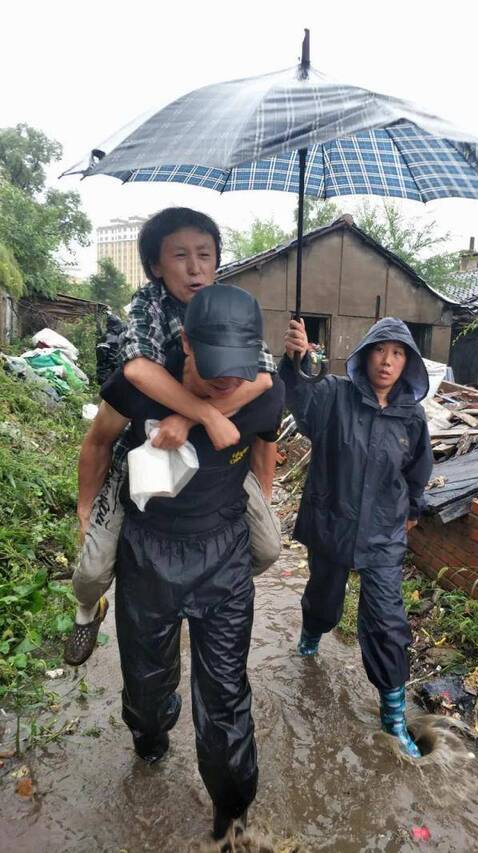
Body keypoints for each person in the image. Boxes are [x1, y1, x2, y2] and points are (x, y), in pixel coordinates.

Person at [78, 285, 284, 843]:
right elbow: (97, 443)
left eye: (239, 369)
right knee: (146, 688)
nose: (229, 382)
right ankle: (149, 735)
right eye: (216, 366)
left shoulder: (263, 392)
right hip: (148, 555)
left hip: (223, 557)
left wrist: (258, 498)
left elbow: (266, 442)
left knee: (224, 693)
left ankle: (233, 811)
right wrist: (84, 514)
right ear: (186, 343)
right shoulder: (138, 385)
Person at [64, 207, 278, 666]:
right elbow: (137, 370)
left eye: (205, 254)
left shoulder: (228, 307)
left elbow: (264, 378)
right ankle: (88, 610)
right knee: (93, 570)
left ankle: (213, 594)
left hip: (218, 466)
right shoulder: (149, 307)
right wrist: (85, 508)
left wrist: (190, 420)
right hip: (144, 455)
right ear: (157, 266)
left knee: (268, 548)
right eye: (180, 255)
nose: (195, 266)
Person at [280, 316, 433, 758]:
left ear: (408, 363)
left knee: (386, 619)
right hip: (333, 519)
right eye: (381, 351)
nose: (388, 361)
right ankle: (311, 636)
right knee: (325, 596)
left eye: (399, 353)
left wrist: (412, 509)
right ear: (365, 354)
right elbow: (301, 400)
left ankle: (393, 714)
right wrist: (297, 359)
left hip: (383, 531)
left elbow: (417, 470)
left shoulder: (412, 416)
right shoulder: (334, 397)